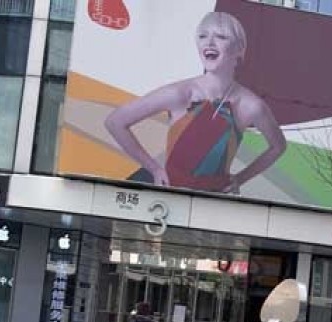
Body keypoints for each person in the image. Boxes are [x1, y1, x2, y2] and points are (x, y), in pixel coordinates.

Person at [105, 11, 286, 194]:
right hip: (170, 198)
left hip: (215, 202)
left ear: (239, 49)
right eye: (203, 36)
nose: (209, 42)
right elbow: (115, 122)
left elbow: (278, 146)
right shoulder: (178, 94)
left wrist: (240, 178)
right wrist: (154, 168)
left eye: (221, 37)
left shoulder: (251, 106)